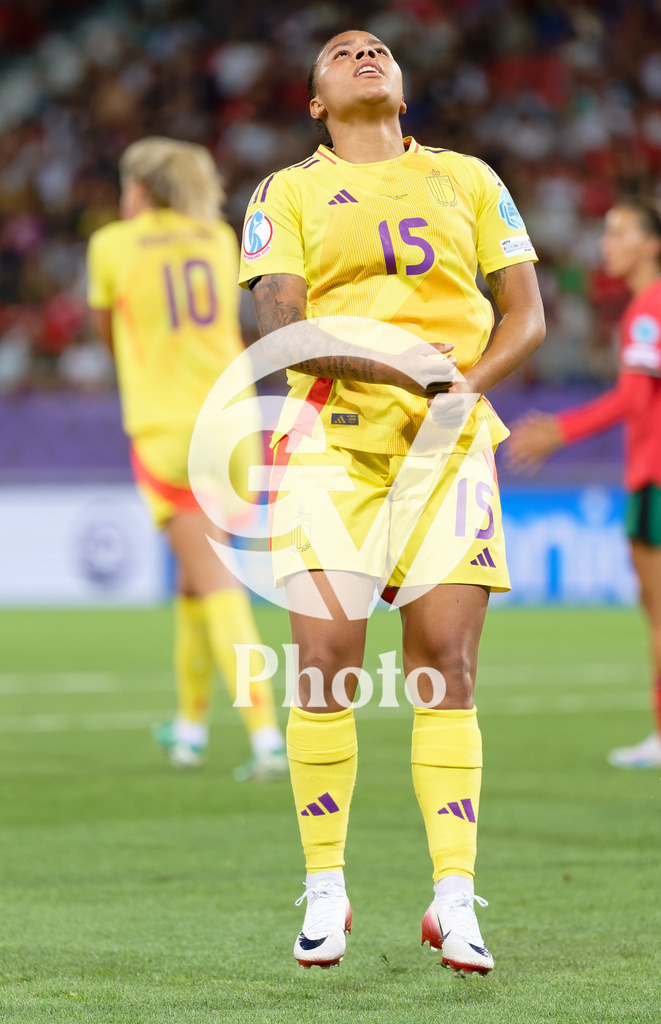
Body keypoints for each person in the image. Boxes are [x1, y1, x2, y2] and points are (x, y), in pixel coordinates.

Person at [238, 32, 545, 972]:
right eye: (341, 53)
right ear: (316, 103)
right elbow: (282, 326)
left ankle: (453, 898)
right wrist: (406, 370)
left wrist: (463, 389)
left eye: (378, 49)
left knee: (443, 666)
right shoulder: (284, 191)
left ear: (403, 91)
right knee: (326, 665)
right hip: (329, 440)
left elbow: (524, 315)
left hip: (448, 447)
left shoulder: (468, 177)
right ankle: (325, 888)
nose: (366, 55)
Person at [87, 137, 288, 781]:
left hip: (171, 431)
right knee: (194, 582)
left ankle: (266, 739)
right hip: (234, 425)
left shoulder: (112, 245)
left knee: (215, 581)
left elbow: (108, 333)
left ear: (139, 189)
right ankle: (193, 728)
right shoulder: (217, 238)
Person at [508, 196, 661, 770]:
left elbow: (635, 397)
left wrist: (561, 431)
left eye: (620, 232)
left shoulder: (653, 309)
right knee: (659, 606)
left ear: (652, 245)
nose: (606, 244)